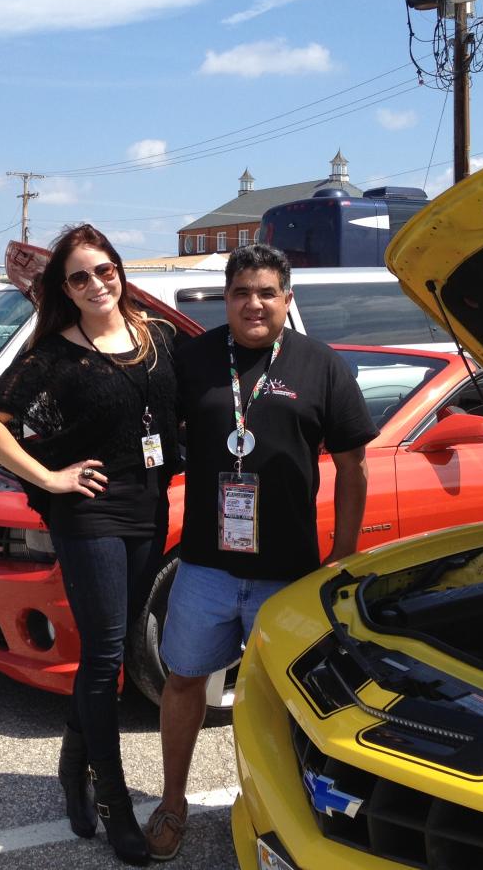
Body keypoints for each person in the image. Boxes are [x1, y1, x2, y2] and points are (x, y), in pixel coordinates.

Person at [144, 244, 377, 860]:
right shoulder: (194, 360)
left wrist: (343, 554)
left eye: (267, 292)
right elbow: (147, 429)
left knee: (291, 700)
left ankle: (291, 819)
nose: (254, 304)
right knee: (184, 681)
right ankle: (172, 803)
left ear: (287, 299)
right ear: (226, 299)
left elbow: (354, 467)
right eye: (241, 292)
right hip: (205, 567)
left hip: (289, 574)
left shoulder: (321, 365)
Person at [0, 225, 179, 867]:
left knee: (116, 644)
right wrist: (49, 477)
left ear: (120, 270)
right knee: (107, 654)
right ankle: (112, 801)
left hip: (149, 505)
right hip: (88, 512)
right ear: (65, 288)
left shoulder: (157, 337)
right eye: (79, 276)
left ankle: (71, 762)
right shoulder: (57, 354)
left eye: (103, 270)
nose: (95, 284)